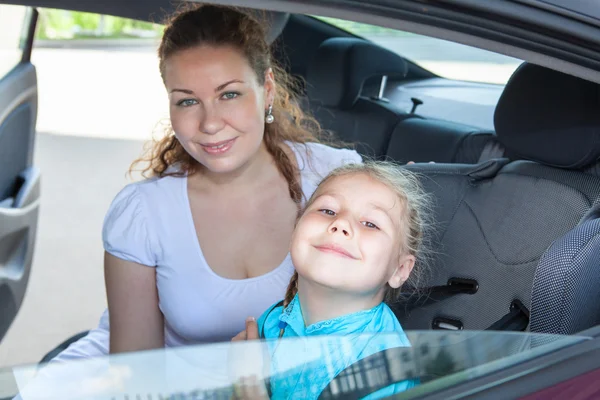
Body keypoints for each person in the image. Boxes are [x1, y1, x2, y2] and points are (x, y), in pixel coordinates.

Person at [43, 3, 362, 363]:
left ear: (267, 90)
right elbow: (139, 378)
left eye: (229, 94)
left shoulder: (336, 178)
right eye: (188, 101)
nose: (209, 123)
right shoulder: (144, 213)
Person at [233, 161, 431, 399]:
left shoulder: (383, 370)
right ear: (295, 230)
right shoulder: (273, 320)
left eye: (370, 224)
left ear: (400, 269)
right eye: (328, 210)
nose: (340, 224)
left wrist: (249, 389)